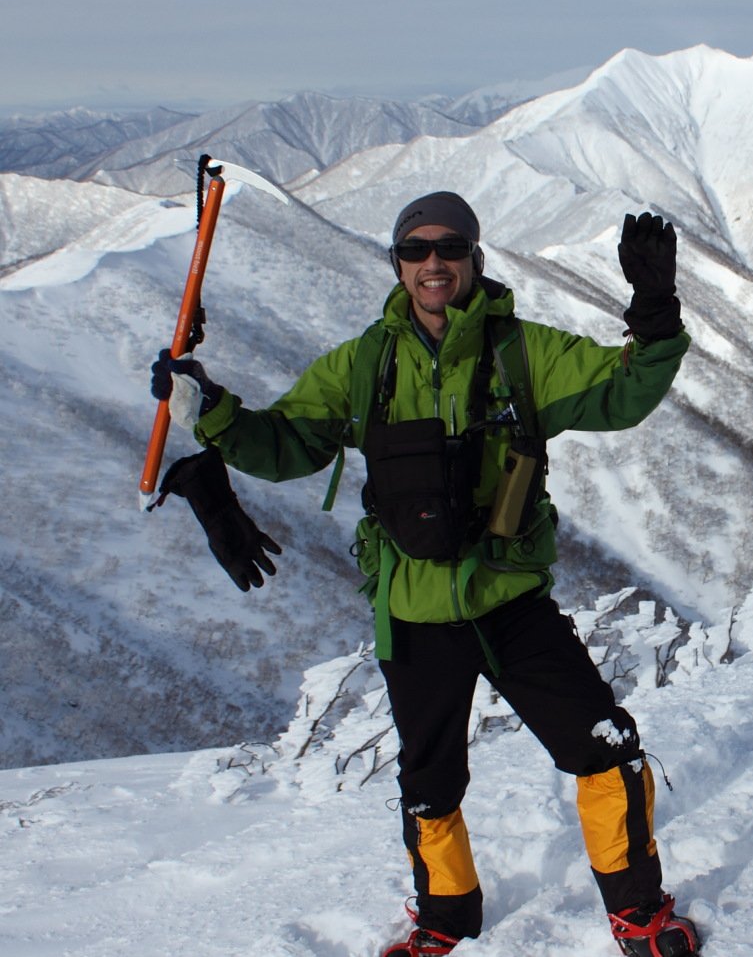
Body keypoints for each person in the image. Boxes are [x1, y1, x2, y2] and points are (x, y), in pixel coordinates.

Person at [151, 192, 698, 957]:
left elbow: (625, 390)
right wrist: (208, 409)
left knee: (605, 748)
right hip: (410, 609)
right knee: (429, 784)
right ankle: (445, 921)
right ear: (398, 263)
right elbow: (288, 444)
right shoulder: (365, 365)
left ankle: (638, 913)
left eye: (449, 248)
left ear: (474, 257)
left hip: (510, 601)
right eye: (416, 250)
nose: (432, 263)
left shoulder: (522, 354)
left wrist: (654, 308)